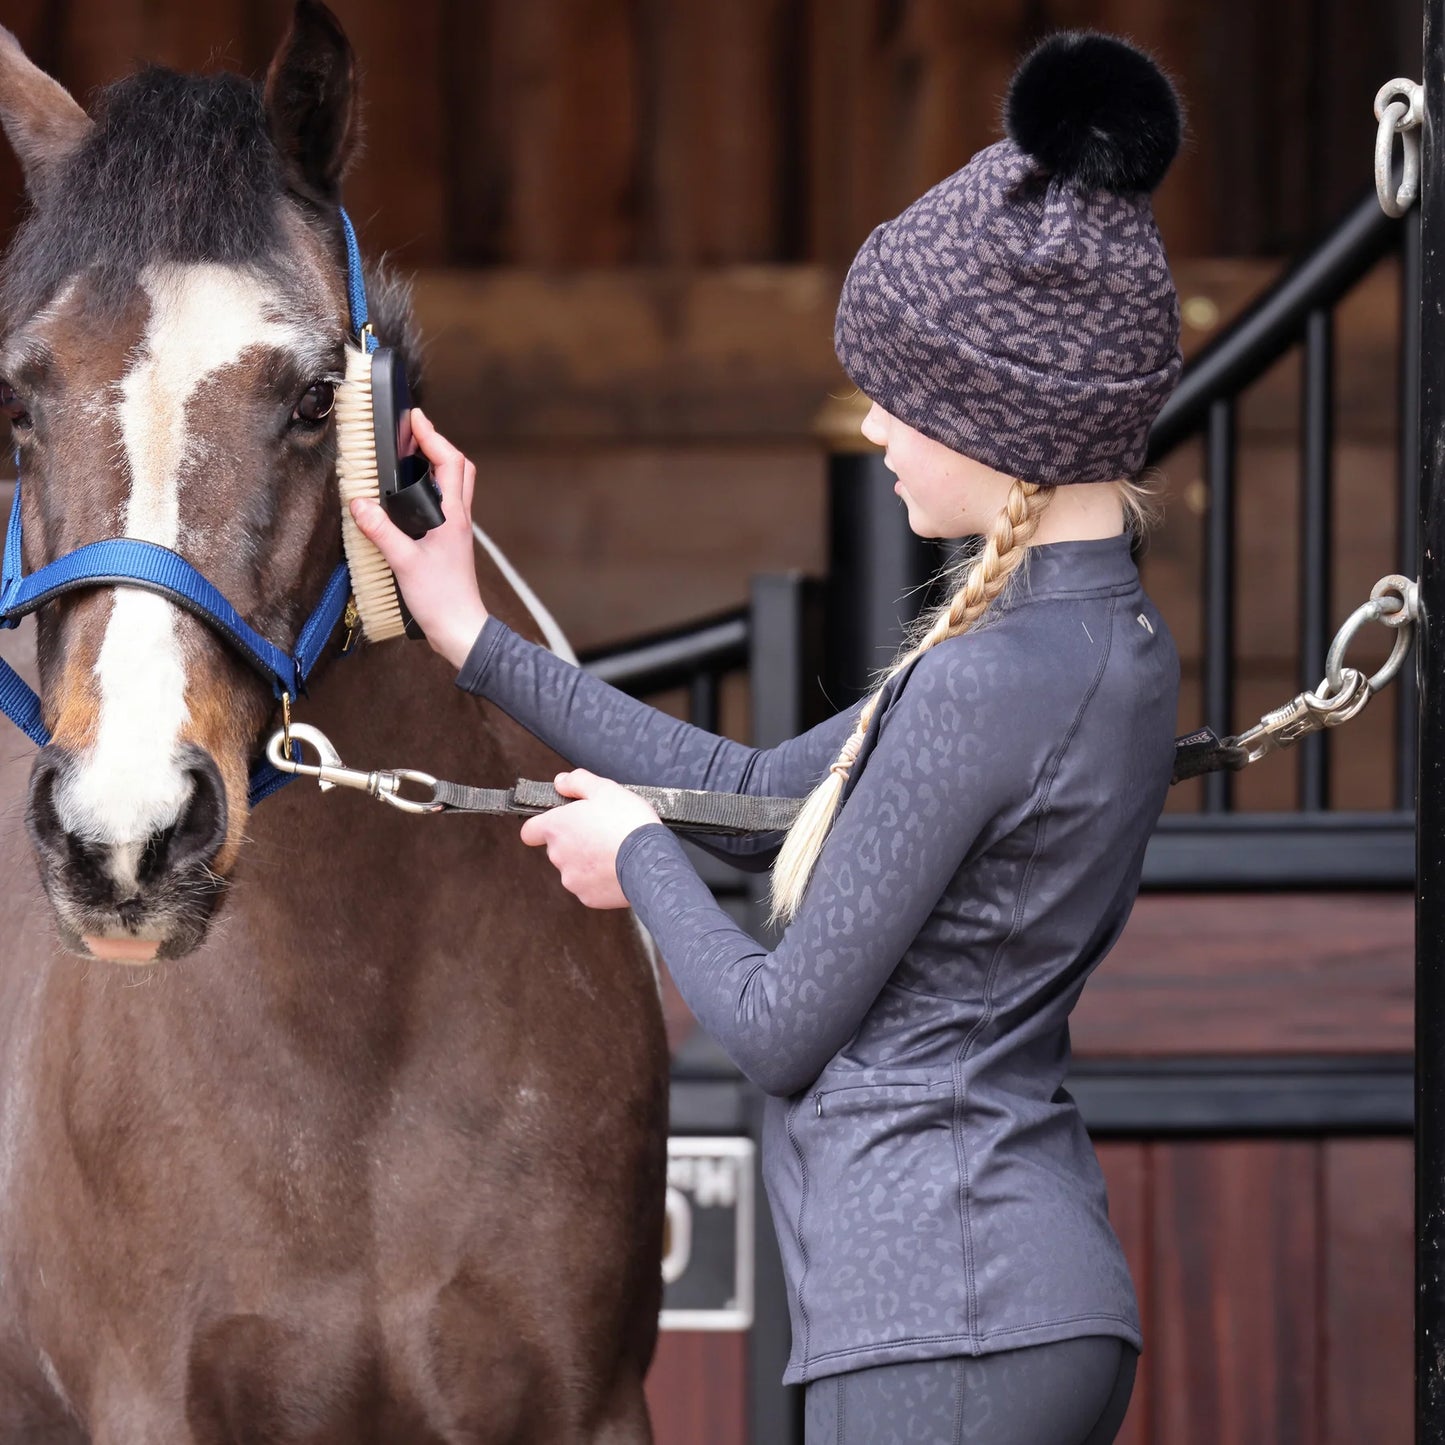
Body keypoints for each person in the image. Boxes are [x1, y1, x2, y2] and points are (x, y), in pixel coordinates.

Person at [350, 30, 1184, 1445]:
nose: (871, 427)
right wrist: (471, 637)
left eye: (900, 396)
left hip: (945, 1320)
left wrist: (636, 858)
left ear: (1003, 419)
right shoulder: (1097, 640)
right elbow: (746, 787)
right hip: (996, 1301)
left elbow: (784, 1024)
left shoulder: (990, 675)